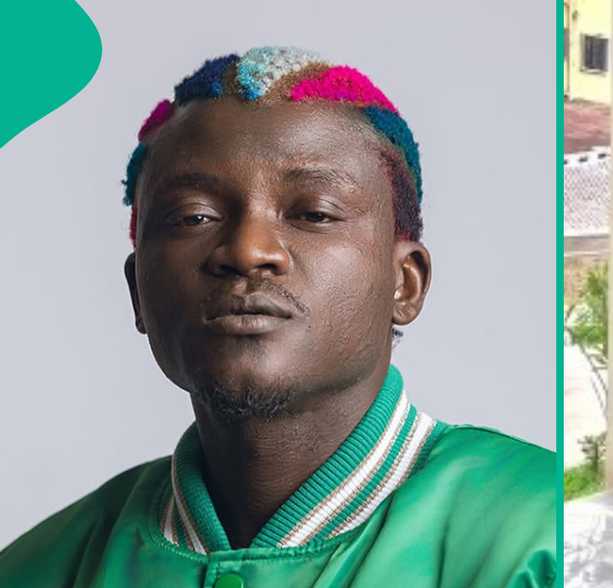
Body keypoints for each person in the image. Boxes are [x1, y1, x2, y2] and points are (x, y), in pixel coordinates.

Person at [0, 47, 556, 586]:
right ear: (137, 292)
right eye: (194, 215)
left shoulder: (545, 538)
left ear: (404, 283)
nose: (247, 250)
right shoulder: (41, 567)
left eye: (314, 212)